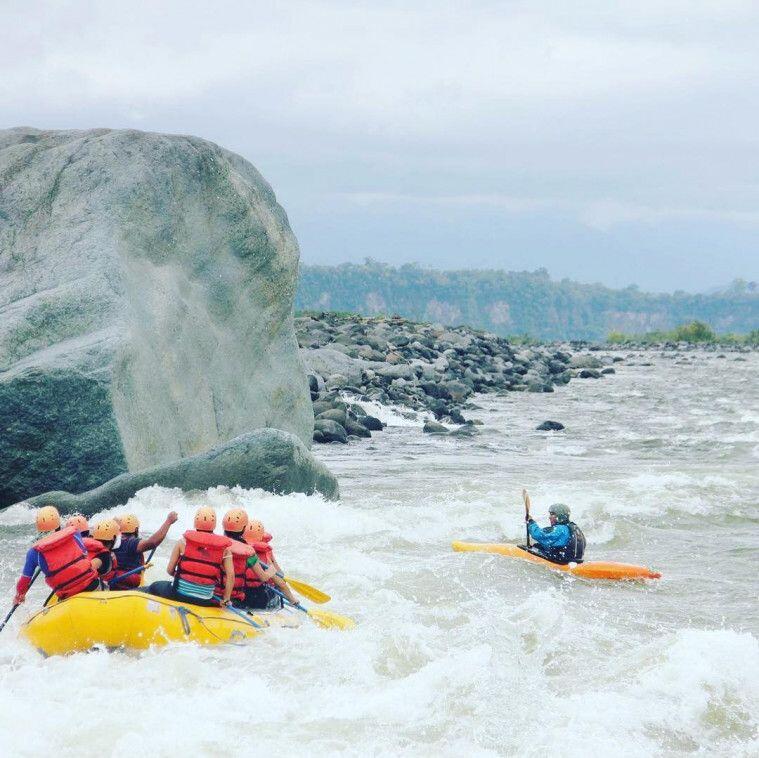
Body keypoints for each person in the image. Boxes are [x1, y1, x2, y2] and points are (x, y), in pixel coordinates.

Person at [145, 507, 234, 607]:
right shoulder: (225, 549)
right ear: (214, 524)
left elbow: (169, 570)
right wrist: (226, 599)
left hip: (179, 595)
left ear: (195, 522)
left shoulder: (182, 542)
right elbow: (230, 576)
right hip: (205, 599)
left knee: (154, 586)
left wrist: (184, 577)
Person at [13, 505, 100, 605]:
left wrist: (19, 595)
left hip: (68, 597)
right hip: (92, 586)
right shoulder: (74, 533)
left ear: (38, 527)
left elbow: (24, 581)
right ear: (58, 522)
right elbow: (84, 553)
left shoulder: (33, 553)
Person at [110, 511, 178, 589]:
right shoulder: (131, 543)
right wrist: (168, 521)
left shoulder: (112, 541)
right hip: (127, 586)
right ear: (136, 530)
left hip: (114, 582)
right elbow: (152, 542)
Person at [242, 519, 298, 609]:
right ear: (261, 536)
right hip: (259, 598)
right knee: (276, 585)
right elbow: (280, 582)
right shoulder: (264, 554)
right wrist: (293, 600)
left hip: (240, 595)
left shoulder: (235, 548)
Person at [523, 490, 586, 564]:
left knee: (536, 547)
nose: (549, 517)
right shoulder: (574, 528)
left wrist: (530, 522)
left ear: (560, 516)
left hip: (561, 562)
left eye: (552, 514)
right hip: (574, 561)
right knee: (538, 546)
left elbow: (538, 534)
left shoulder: (559, 530)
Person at [83, 519, 121, 584]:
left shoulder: (84, 547)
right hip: (90, 590)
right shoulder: (104, 556)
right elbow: (86, 570)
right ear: (114, 538)